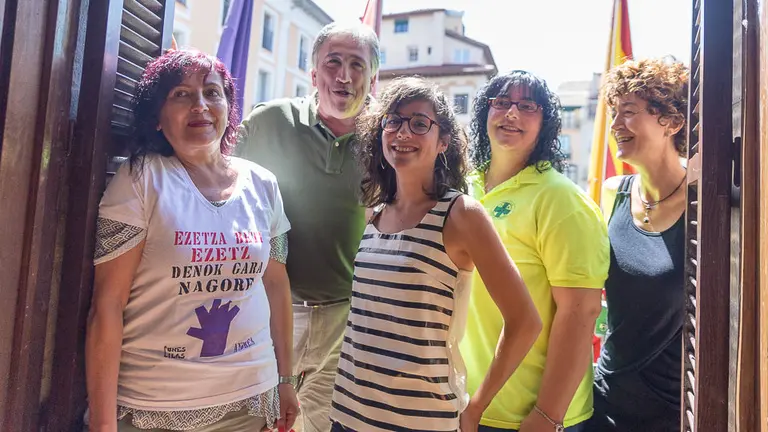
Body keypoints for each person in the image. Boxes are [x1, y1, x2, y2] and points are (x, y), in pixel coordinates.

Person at [85, 50, 298, 432]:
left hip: (250, 401)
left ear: (228, 107)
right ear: (157, 117)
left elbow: (276, 285)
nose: (200, 105)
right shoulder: (140, 180)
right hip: (154, 406)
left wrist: (285, 381)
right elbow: (107, 305)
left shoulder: (263, 184)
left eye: (212, 93)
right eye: (181, 94)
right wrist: (103, 424)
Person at [328, 76, 541, 432]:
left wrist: (475, 409)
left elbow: (525, 322)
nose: (403, 133)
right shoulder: (374, 213)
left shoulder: (461, 214)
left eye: (419, 123)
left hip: (420, 420)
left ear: (443, 141)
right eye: (393, 121)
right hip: (348, 413)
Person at [236, 22, 379, 432]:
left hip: (345, 321)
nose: (344, 75)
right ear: (313, 73)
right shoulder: (269, 121)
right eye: (333, 62)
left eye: (357, 65)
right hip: (268, 312)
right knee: (259, 422)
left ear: (372, 79)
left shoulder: (385, 143)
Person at [460, 70, 610, 432]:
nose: (512, 113)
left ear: (546, 123)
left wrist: (547, 416)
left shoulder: (561, 200)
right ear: (484, 113)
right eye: (502, 103)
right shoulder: (462, 188)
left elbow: (581, 312)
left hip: (528, 419)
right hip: (463, 407)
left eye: (527, 106)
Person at [586, 58, 688, 431]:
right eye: (614, 113)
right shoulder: (612, 194)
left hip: (672, 412)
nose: (615, 126)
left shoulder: (706, 205)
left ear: (672, 122)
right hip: (604, 400)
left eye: (628, 112)